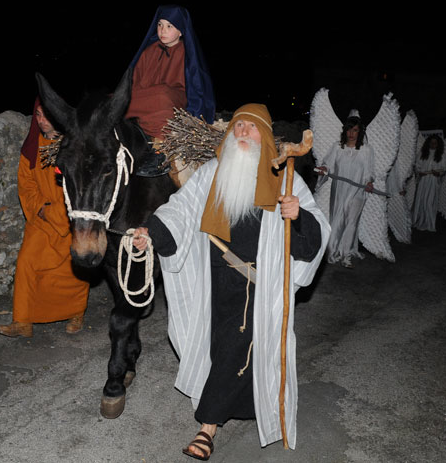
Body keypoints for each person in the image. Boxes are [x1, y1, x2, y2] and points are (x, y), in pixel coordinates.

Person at [131, 104, 329, 458]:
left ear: (265, 137)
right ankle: (236, 410)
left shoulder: (285, 179)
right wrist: (153, 232)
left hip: (262, 285)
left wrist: (298, 216)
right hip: (217, 283)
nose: (242, 133)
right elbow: (181, 208)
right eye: (237, 127)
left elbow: (317, 232)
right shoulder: (212, 173)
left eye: (250, 129)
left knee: (239, 349)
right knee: (223, 348)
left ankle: (206, 428)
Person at [0, 97, 89, 337]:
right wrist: (41, 208)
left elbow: (81, 187)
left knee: (71, 272)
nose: (41, 121)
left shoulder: (74, 147)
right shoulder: (32, 147)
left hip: (70, 221)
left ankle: (76, 313)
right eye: (37, 115)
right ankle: (22, 321)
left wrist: (57, 212)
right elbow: (26, 183)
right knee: (27, 262)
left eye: (46, 115)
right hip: (41, 219)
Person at [126, 5, 216, 183]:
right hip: (147, 100)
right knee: (119, 98)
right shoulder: (148, 52)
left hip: (173, 101)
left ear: (181, 31)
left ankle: (160, 150)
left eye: (169, 26)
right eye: (159, 25)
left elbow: (197, 87)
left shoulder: (188, 53)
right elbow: (134, 83)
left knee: (162, 95)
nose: (162, 31)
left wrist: (196, 116)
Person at [315, 112, 375, 268]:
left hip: (358, 191)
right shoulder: (337, 147)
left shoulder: (366, 149)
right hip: (340, 189)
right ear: (345, 131)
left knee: (352, 222)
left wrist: (369, 182)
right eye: (349, 130)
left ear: (359, 132)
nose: (351, 134)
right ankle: (332, 251)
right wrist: (323, 169)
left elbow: (369, 171)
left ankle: (346, 255)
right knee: (338, 219)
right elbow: (327, 163)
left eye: (355, 130)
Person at [412, 134, 446, 232]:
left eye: (435, 143)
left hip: (433, 181)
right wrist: (419, 172)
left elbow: (443, 169)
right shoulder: (422, 153)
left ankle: (429, 222)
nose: (433, 145)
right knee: (421, 200)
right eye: (431, 143)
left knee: (429, 201)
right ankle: (419, 220)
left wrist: (438, 173)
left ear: (438, 144)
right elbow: (417, 166)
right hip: (423, 181)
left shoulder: (441, 156)